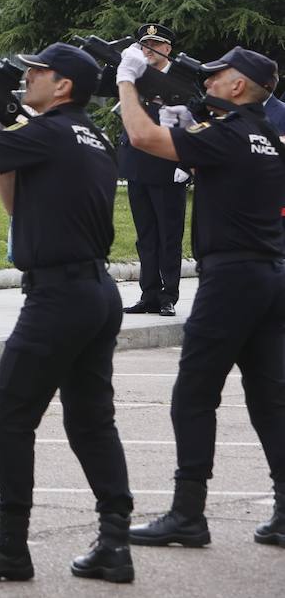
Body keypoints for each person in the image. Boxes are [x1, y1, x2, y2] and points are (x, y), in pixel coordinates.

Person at [0, 41, 134, 584]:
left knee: (8, 417)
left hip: (60, 296)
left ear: (63, 85)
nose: (28, 79)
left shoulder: (49, 130)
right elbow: (18, 206)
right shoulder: (87, 135)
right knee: (92, 422)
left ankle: (11, 546)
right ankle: (115, 542)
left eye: (37, 72)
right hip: (93, 292)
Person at [115, 44, 285, 551]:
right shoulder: (267, 135)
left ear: (239, 87)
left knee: (194, 393)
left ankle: (187, 513)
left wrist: (127, 80)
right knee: (271, 398)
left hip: (231, 276)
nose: (207, 83)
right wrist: (188, 125)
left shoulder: (227, 134)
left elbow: (142, 137)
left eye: (217, 77)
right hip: (270, 275)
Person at [118, 23, 190, 317]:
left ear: (167, 49)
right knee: (145, 234)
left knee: (168, 235)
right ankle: (148, 293)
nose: (147, 49)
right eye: (144, 44)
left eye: (154, 44)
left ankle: (168, 295)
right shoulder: (135, 75)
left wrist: (185, 163)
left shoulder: (182, 79)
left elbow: (192, 123)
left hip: (168, 166)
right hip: (138, 163)